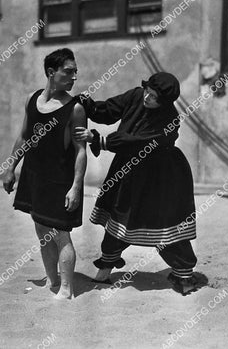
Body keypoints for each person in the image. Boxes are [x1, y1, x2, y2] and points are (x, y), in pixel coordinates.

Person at [74, 72, 198, 295]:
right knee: (119, 216)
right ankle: (105, 270)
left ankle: (184, 276)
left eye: (154, 98)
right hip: (128, 170)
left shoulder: (170, 118)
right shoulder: (136, 95)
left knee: (164, 225)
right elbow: (110, 110)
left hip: (161, 176)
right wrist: (89, 106)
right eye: (148, 92)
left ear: (164, 103)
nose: (147, 98)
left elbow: (140, 142)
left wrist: (99, 140)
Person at [3, 48, 87, 300]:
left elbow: (81, 151)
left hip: (60, 179)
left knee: (61, 233)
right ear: (51, 72)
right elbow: (23, 136)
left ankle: (66, 289)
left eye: (75, 72)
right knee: (41, 229)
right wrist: (10, 168)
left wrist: (75, 187)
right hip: (34, 174)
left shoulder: (75, 109)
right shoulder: (32, 99)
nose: (74, 77)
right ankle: (52, 280)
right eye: (68, 71)